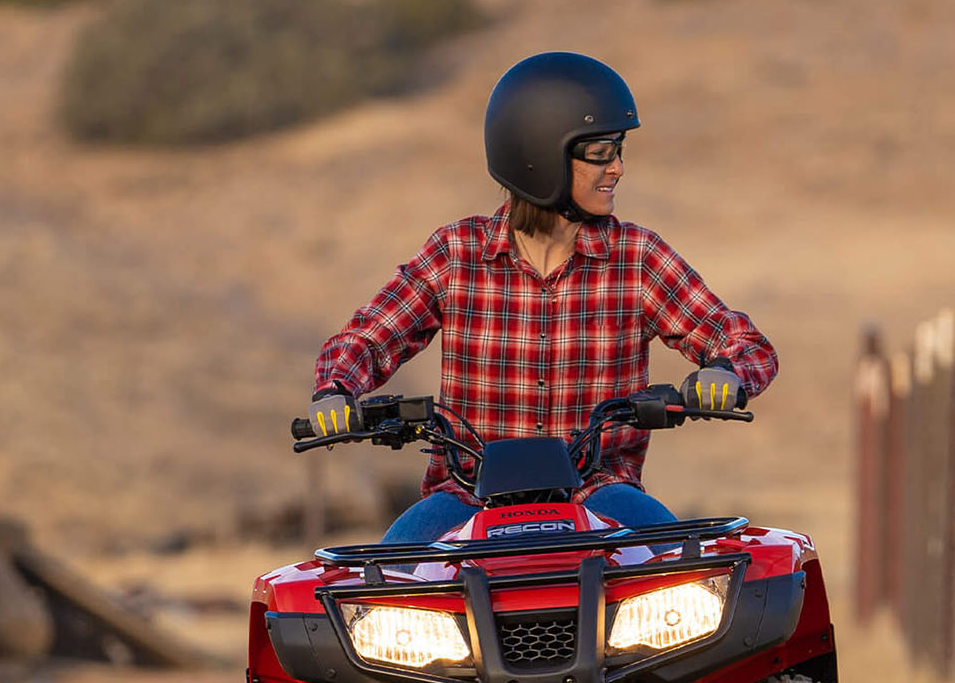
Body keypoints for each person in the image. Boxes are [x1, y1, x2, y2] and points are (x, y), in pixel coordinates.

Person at [306, 52, 778, 544]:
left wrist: (725, 370)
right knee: (386, 581)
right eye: (599, 152)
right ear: (538, 155)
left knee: (681, 568)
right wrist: (337, 389)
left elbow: (745, 343)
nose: (617, 168)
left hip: (601, 495)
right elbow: (370, 337)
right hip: (466, 496)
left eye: (618, 150)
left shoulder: (636, 257)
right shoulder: (456, 255)